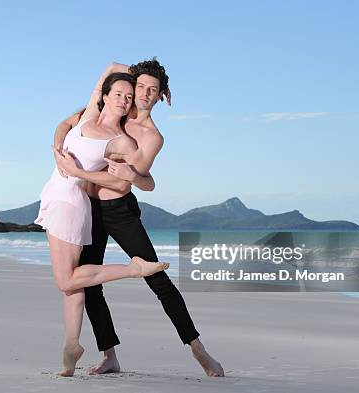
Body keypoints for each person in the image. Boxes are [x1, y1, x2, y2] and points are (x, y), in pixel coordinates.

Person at [53, 59, 225, 377]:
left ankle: (199, 351)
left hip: (119, 211)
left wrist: (133, 174)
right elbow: (68, 123)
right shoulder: (115, 106)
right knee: (90, 283)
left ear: (161, 96)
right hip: (85, 206)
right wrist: (58, 147)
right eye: (140, 86)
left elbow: (144, 181)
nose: (143, 94)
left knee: (157, 280)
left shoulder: (150, 136)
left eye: (153, 90)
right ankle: (110, 356)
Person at [35, 72, 170, 377]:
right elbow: (63, 124)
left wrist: (83, 174)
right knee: (73, 283)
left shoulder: (121, 140)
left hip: (70, 203)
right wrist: (57, 150)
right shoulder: (87, 116)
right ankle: (71, 346)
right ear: (104, 96)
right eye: (120, 94)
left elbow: (137, 181)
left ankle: (133, 269)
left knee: (65, 281)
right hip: (54, 195)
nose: (125, 100)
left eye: (128, 95)